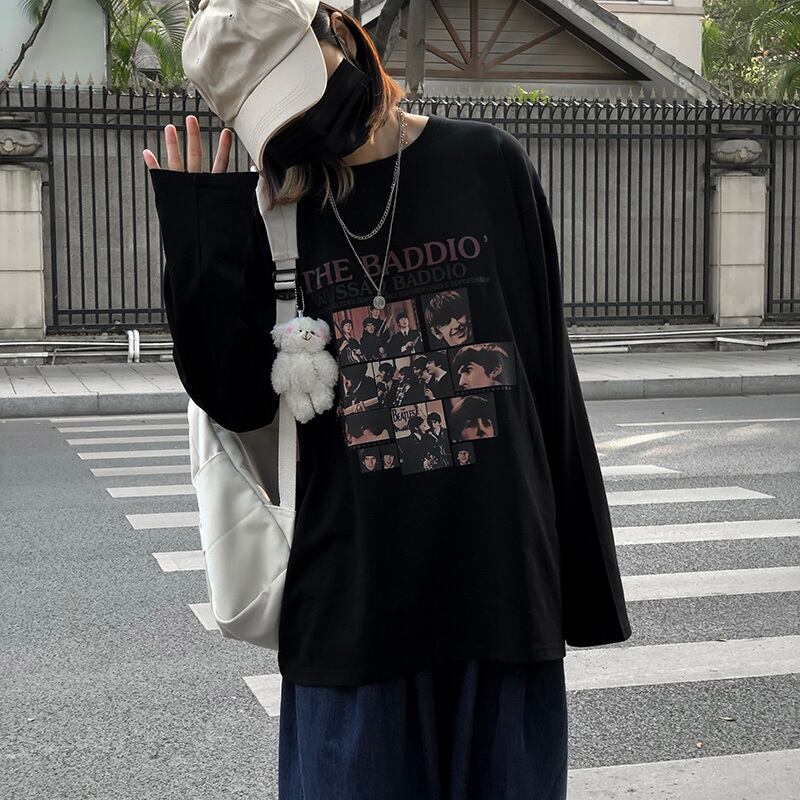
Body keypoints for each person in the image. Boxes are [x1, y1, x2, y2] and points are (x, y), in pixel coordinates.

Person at [143, 1, 631, 797]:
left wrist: (578, 590)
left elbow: (547, 378)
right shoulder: (276, 217)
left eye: (300, 87)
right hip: (352, 622)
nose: (306, 124)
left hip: (499, 598)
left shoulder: (487, 163)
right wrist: (201, 240)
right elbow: (236, 402)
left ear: (339, 33)